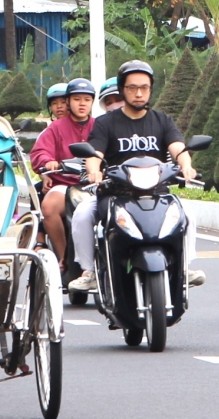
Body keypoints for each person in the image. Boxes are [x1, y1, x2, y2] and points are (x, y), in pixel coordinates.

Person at [68, 61, 205, 291]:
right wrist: (94, 171)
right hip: (115, 192)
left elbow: (178, 148)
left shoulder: (162, 120)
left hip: (156, 193)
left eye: (144, 87)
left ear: (151, 89)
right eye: (132, 88)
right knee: (82, 214)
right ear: (122, 89)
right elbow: (94, 154)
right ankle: (89, 271)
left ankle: (184, 268)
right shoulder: (105, 123)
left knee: (187, 212)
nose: (139, 93)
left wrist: (186, 166)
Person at [30, 78, 96, 266]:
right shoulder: (55, 127)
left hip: (96, 185)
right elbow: (39, 152)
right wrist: (48, 162)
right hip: (65, 185)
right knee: (49, 207)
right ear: (69, 101)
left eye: (87, 99)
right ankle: (65, 258)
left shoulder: (100, 125)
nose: (82, 104)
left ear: (93, 102)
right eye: (76, 99)